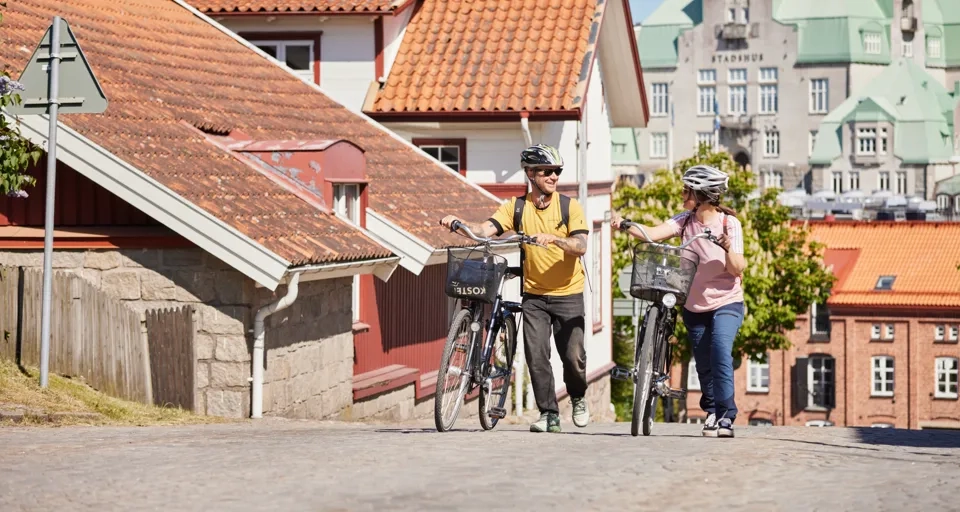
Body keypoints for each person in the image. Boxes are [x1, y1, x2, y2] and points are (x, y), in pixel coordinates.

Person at [439, 143, 590, 433]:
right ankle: (549, 414)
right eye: (548, 171)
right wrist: (459, 224)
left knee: (573, 357)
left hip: (568, 293)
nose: (554, 177)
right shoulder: (516, 207)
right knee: (536, 355)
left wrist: (555, 239)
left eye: (557, 171)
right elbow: (486, 229)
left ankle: (579, 396)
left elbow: (580, 245)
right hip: (534, 294)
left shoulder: (570, 207)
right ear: (531, 173)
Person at [611, 164, 747, 438]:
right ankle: (711, 412)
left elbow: (737, 268)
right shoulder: (685, 221)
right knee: (704, 361)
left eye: (688, 190)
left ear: (703, 194)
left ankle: (725, 417)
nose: (683, 193)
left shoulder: (728, 224)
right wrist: (625, 224)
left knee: (720, 349)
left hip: (727, 301)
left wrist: (727, 246)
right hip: (694, 304)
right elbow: (652, 233)